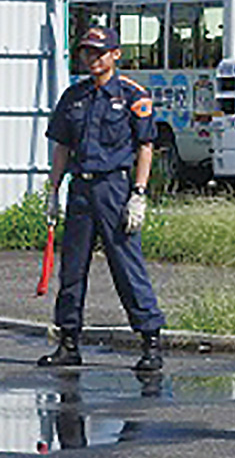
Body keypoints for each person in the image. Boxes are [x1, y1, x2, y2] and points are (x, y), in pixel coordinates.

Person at [37, 24, 166, 373]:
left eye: (99, 51)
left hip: (114, 187)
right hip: (81, 188)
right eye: (86, 51)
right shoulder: (74, 96)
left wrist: (139, 194)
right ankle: (68, 342)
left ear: (115, 55)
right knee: (73, 269)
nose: (92, 58)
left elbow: (145, 146)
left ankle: (150, 341)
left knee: (126, 265)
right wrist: (53, 190)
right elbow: (62, 146)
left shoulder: (131, 95)